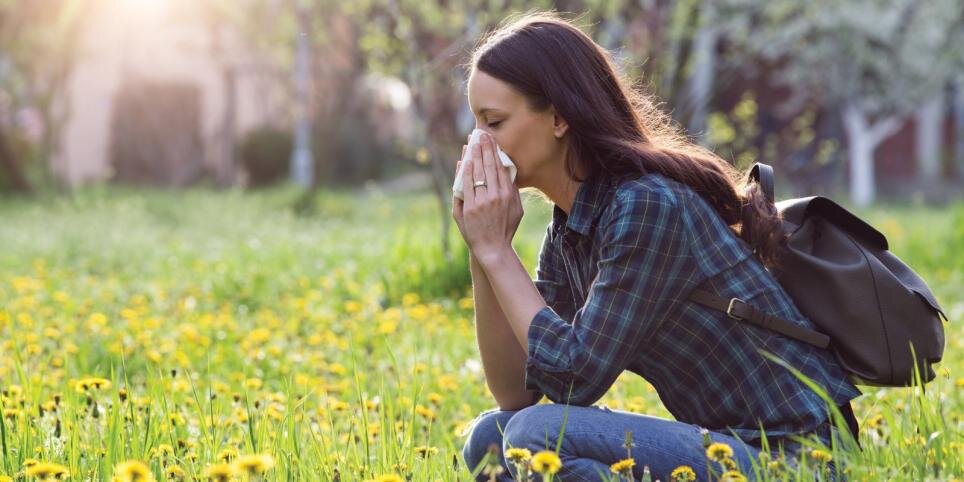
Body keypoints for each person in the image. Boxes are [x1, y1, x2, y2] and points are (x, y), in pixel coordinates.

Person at [451, 12, 861, 482]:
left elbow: (575, 378)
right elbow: (515, 393)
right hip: (727, 449)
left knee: (534, 436)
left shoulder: (646, 205)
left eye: (494, 122)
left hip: (800, 460)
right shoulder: (571, 229)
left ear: (559, 117)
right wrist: (484, 250)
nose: (479, 143)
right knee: (491, 437)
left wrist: (498, 254)